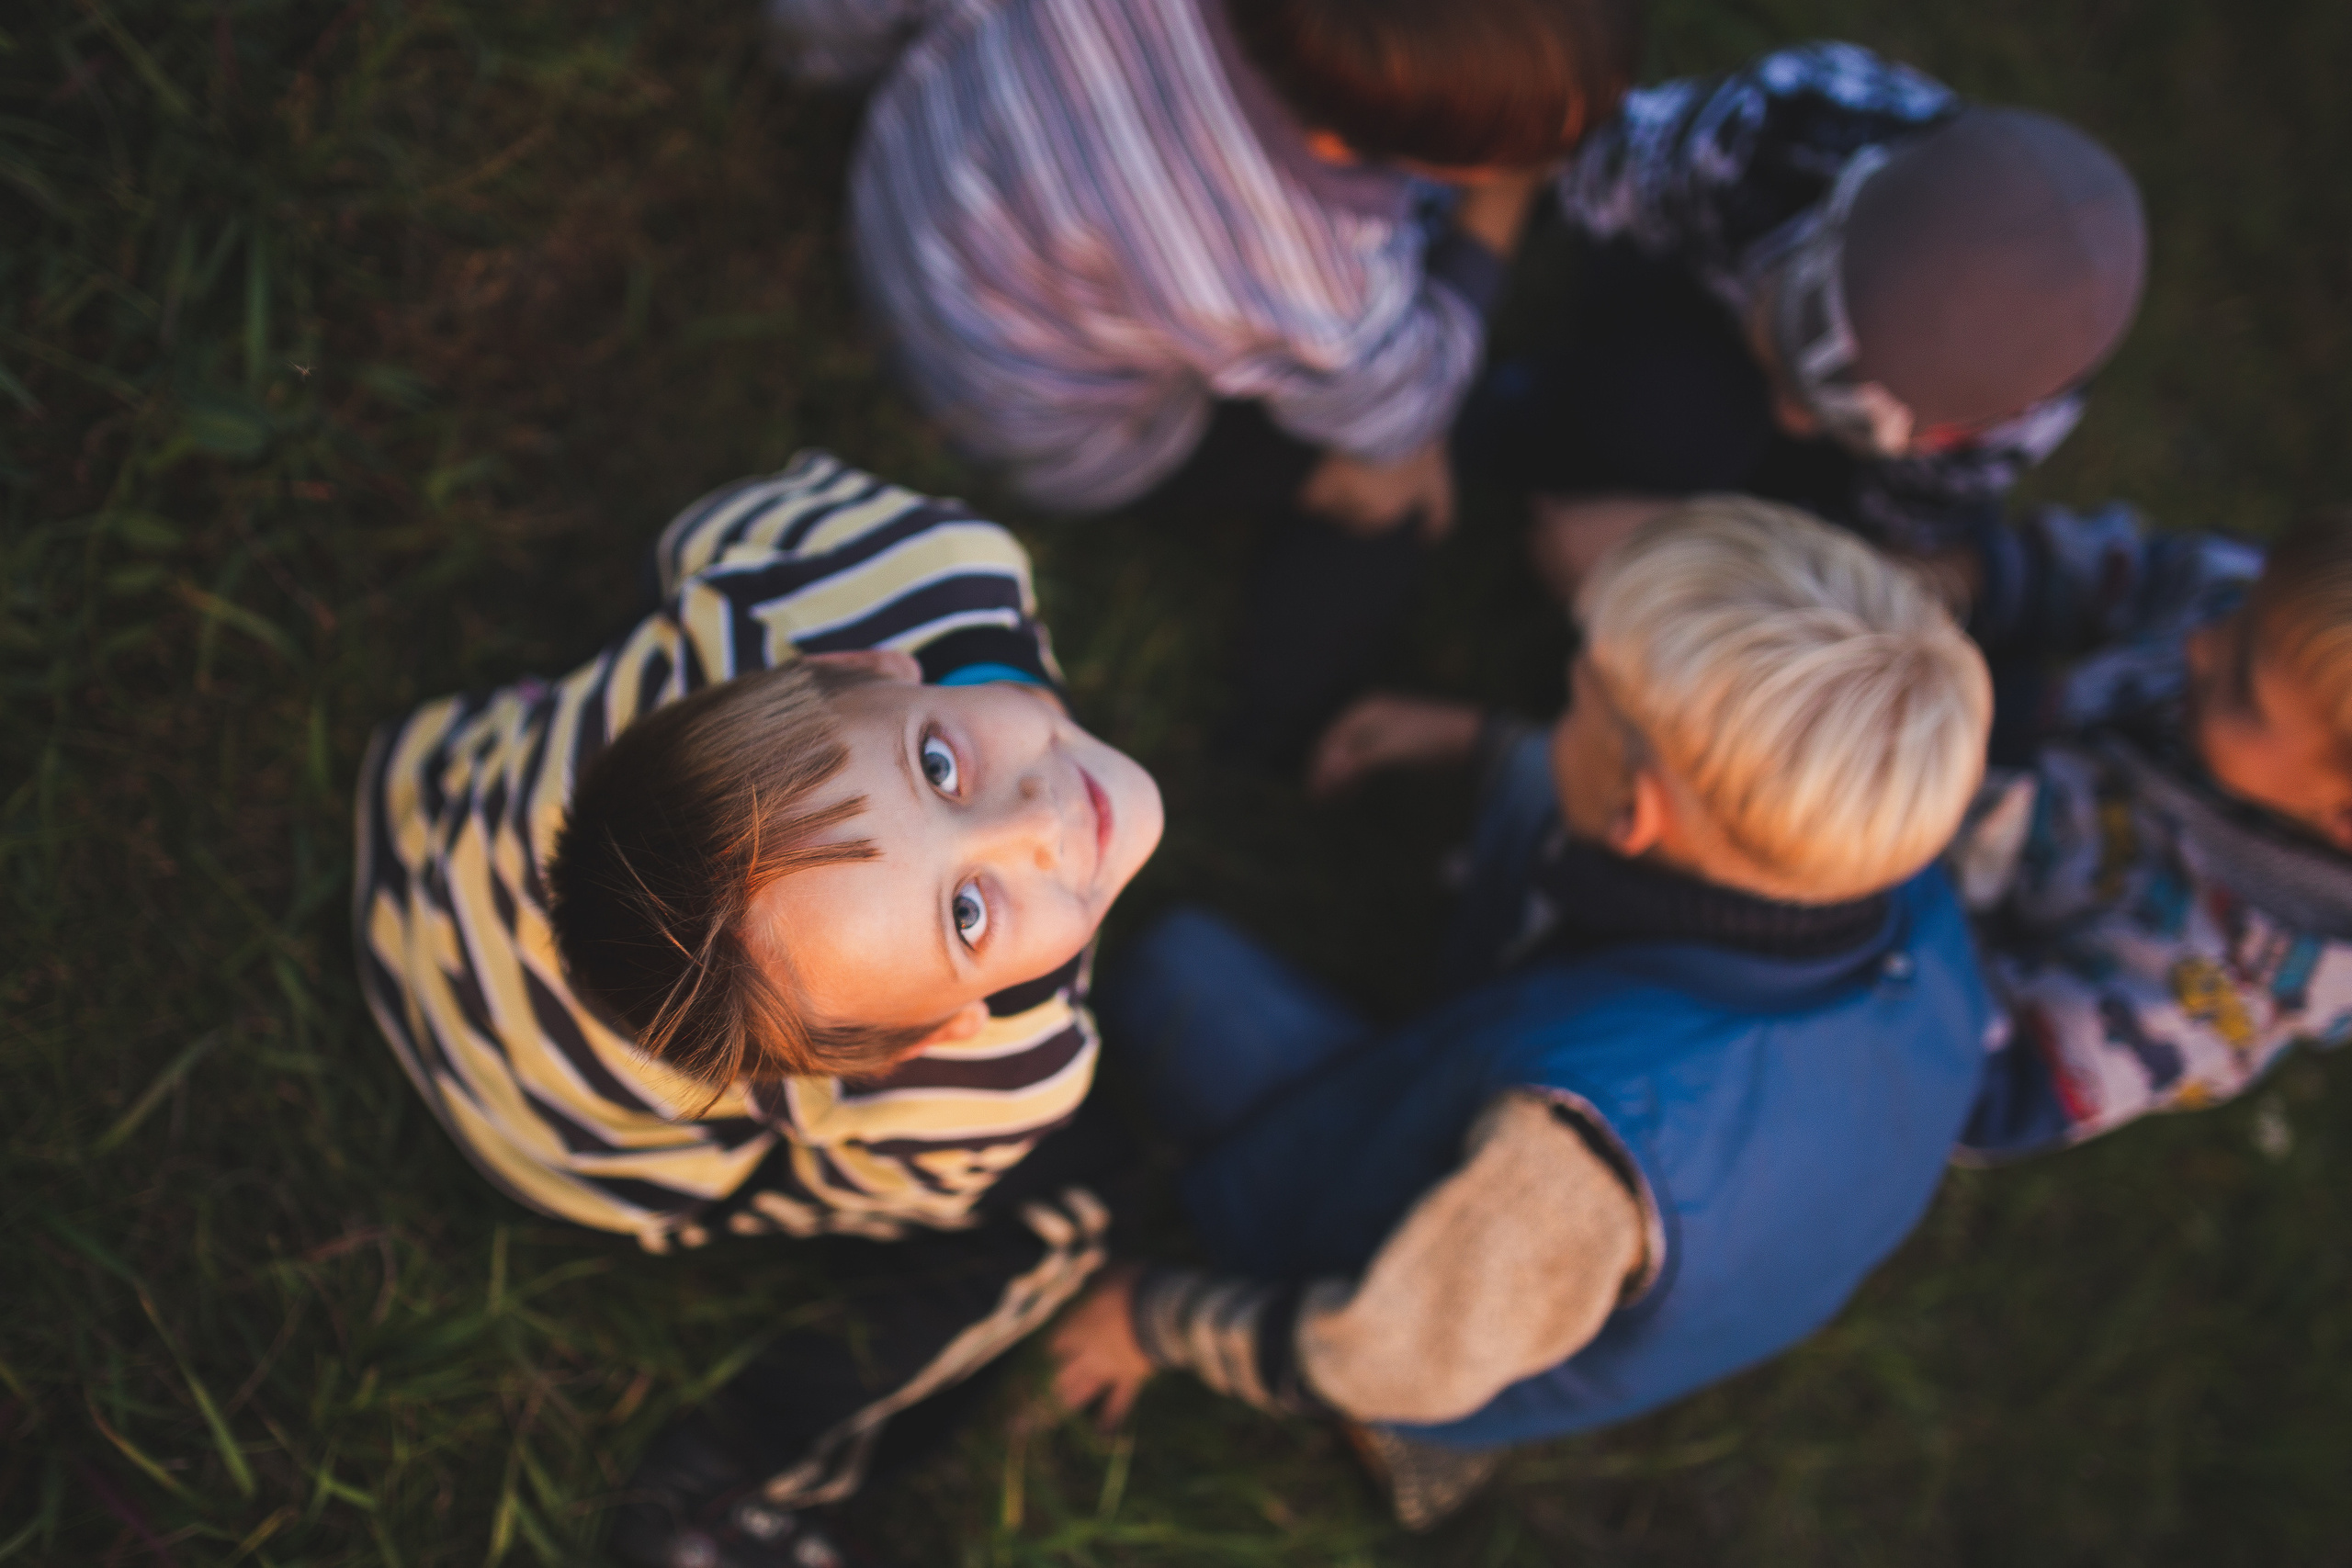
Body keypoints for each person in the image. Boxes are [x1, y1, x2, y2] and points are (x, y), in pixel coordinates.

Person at [1049, 498, 1996, 1528]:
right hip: (1723, 1198)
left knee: (1174, 971)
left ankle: (1425, 1440)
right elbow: (1613, 810)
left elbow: (1386, 1351)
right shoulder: (1899, 892)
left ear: (1636, 815)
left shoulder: (1576, 1158)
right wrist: (1484, 747)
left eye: (1576, 696)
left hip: (1457, 1296)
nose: (1558, 709)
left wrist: (1154, 1317)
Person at [354, 452, 1164, 1567]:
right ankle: (741, 1476)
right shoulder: (1010, 1070)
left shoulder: (896, 577)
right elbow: (897, 1193)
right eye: (968, 914)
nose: (1040, 820)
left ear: (861, 662)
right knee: (1075, 1198)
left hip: (427, 855)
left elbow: (713, 531)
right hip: (567, 1148)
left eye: (939, 764)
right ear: (930, 1039)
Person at [830, 0, 1639, 758]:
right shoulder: (1315, 272)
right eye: (1516, 147)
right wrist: (1502, 203)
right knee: (1398, 481)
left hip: (908, 178)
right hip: (1033, 416)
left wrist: (815, 59)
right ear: (1348, 139)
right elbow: (1408, 407)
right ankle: (1281, 726)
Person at [1497, 40, 2146, 603]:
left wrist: (1673, 542)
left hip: (1828, 485)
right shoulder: (1783, 126)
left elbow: (1882, 537)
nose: (1792, 417)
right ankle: (1535, 418)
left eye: (1850, 417)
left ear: (1959, 431)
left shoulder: (2020, 415)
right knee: (1663, 420)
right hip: (1685, 297)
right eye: (1784, 337)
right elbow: (1577, 169)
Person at [1950, 503, 2352, 1158]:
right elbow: (2141, 572)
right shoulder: (2275, 627)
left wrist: (1861, 932)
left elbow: (1994, 1092)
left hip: (1906, 923)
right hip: (1962, 723)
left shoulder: (2207, 984)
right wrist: (1977, 578)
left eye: (2241, 685)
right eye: (2244, 605)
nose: (2202, 642)